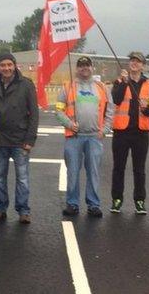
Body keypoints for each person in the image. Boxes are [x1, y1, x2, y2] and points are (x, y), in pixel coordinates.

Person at [56, 56, 113, 218]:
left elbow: (110, 110)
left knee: (93, 172)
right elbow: (59, 110)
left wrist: (105, 130)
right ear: (77, 68)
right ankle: (72, 204)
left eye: (87, 65)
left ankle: (93, 204)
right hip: (74, 137)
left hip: (95, 137)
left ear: (91, 67)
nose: (84, 68)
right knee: (73, 172)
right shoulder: (68, 87)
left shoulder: (102, 87)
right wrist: (68, 124)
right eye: (81, 66)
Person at [0, 53, 39, 224]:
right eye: (3, 65)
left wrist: (30, 140)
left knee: (22, 178)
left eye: (9, 64)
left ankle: (23, 210)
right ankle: (0, 208)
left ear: (15, 65)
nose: (6, 68)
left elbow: (34, 114)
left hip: (20, 139)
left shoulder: (26, 85)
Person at [110, 51, 149, 214]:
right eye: (132, 60)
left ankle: (139, 201)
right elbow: (116, 99)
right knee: (118, 168)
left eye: (138, 61)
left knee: (139, 169)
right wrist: (123, 82)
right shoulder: (119, 81)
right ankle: (116, 200)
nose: (134, 63)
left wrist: (148, 108)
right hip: (121, 132)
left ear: (143, 65)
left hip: (140, 133)